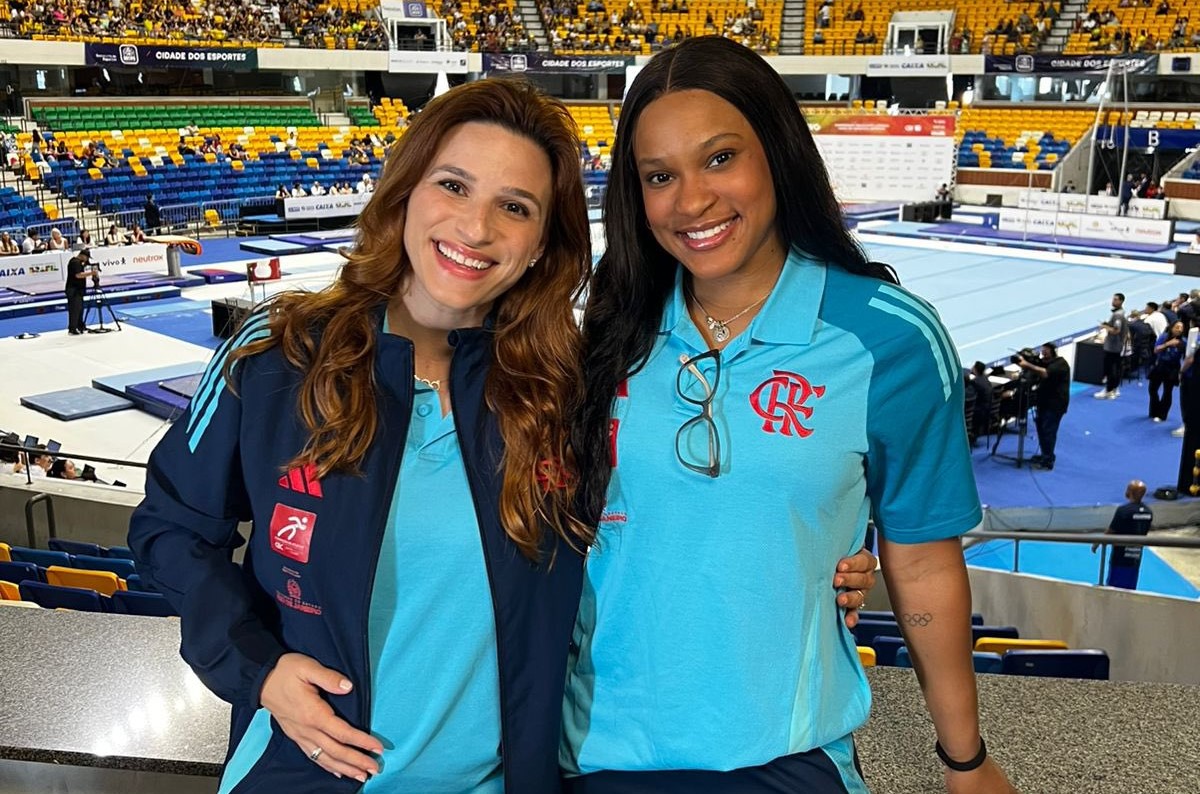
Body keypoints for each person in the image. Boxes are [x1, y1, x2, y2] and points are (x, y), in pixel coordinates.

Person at [125, 78, 882, 794]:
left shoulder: (569, 386)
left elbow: (679, 508)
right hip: (302, 773)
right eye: (453, 186)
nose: (476, 228)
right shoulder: (274, 354)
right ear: (406, 192)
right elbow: (169, 530)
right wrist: (258, 670)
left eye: (515, 207)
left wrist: (828, 559)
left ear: (544, 243)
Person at [568, 36, 1014, 793]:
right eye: (658, 176)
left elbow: (924, 561)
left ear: (776, 152)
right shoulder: (608, 332)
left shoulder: (889, 339)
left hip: (783, 753)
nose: (691, 201)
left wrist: (963, 759)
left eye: (719, 158)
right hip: (595, 750)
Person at [1016, 342, 1070, 471]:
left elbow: (1045, 373)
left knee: (1048, 431)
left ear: (1053, 351)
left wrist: (1027, 365)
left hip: (1055, 405)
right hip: (1043, 403)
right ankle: (1045, 454)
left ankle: (1048, 461)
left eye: (1046, 350)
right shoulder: (1045, 362)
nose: (1043, 352)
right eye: (1043, 350)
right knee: (1041, 429)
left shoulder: (1060, 364)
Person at [1092, 480, 1153, 589]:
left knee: (1115, 587)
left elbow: (1111, 531)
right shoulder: (1148, 512)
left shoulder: (1123, 511)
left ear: (1130, 492)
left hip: (1120, 558)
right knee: (1130, 586)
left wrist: (1098, 542)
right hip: (1136, 557)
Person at [1149, 320, 1185, 422]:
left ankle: (1162, 415)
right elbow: (1156, 350)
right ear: (1172, 327)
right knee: (1152, 389)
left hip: (1172, 368)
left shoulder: (1183, 341)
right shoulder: (1164, 337)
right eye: (1177, 327)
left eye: (1181, 328)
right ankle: (1154, 411)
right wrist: (1168, 344)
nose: (1179, 329)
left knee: (1167, 391)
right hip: (1160, 365)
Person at [1095, 292, 1127, 399]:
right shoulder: (1121, 312)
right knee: (1116, 368)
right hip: (1117, 346)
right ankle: (1114, 389)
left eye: (1115, 300)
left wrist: (1105, 327)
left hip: (1113, 346)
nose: (1113, 301)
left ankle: (1108, 391)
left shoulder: (1117, 315)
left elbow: (1116, 330)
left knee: (1110, 369)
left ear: (1121, 301)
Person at [65, 248, 98, 335]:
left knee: (79, 309)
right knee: (74, 310)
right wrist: (91, 273)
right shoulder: (75, 262)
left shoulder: (79, 262)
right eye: (87, 258)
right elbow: (78, 275)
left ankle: (80, 325)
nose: (87, 260)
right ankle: (72, 328)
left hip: (78, 289)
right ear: (83, 256)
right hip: (73, 289)